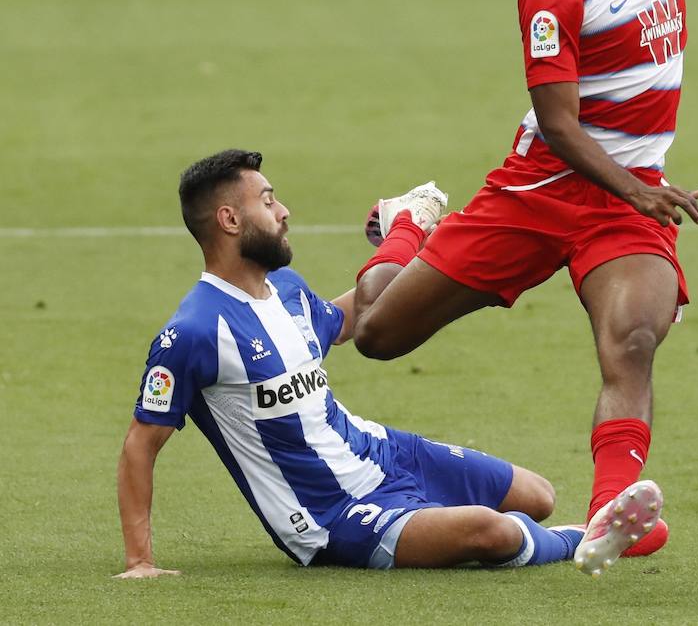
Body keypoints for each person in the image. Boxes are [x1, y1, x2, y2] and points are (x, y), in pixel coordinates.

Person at [349, 0, 698, 558]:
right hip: (536, 192)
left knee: (633, 340)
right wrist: (638, 188)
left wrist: (638, 192)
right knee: (380, 335)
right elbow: (558, 123)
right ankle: (408, 226)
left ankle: (611, 515)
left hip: (626, 204)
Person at [116, 149, 660, 578]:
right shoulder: (192, 332)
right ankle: (586, 538)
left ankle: (569, 529)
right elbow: (141, 444)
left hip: (381, 452)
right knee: (489, 531)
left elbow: (361, 314)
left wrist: (411, 239)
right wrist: (140, 560)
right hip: (332, 518)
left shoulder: (285, 289)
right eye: (268, 201)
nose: (284, 212)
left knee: (535, 495)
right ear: (230, 219)